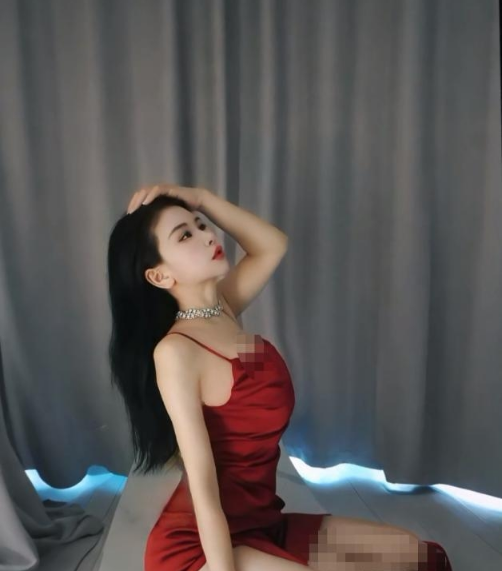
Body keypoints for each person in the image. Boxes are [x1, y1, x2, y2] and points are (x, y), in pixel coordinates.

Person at [107, 184, 452, 571]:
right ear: (159, 276)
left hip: (263, 524)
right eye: (185, 235)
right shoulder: (175, 352)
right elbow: (202, 483)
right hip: (201, 545)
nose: (207, 236)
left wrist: (200, 198)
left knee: (414, 554)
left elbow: (272, 245)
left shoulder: (223, 309)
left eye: (201, 225)